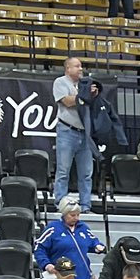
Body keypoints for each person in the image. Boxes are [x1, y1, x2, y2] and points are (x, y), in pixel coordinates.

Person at [52, 56, 96, 210]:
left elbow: (92, 104)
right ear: (68, 69)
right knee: (63, 171)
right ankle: (61, 204)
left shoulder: (85, 84)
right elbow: (68, 102)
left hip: (85, 133)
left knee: (86, 173)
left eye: (81, 66)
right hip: (67, 131)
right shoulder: (60, 82)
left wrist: (93, 95)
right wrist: (84, 96)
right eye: (77, 66)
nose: (80, 69)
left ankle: (85, 205)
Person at [34, 196, 101, 279]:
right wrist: (46, 264)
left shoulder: (83, 228)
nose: (76, 218)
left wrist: (97, 246)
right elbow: (39, 248)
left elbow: (93, 241)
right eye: (72, 215)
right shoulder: (53, 228)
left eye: (78, 215)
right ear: (64, 214)